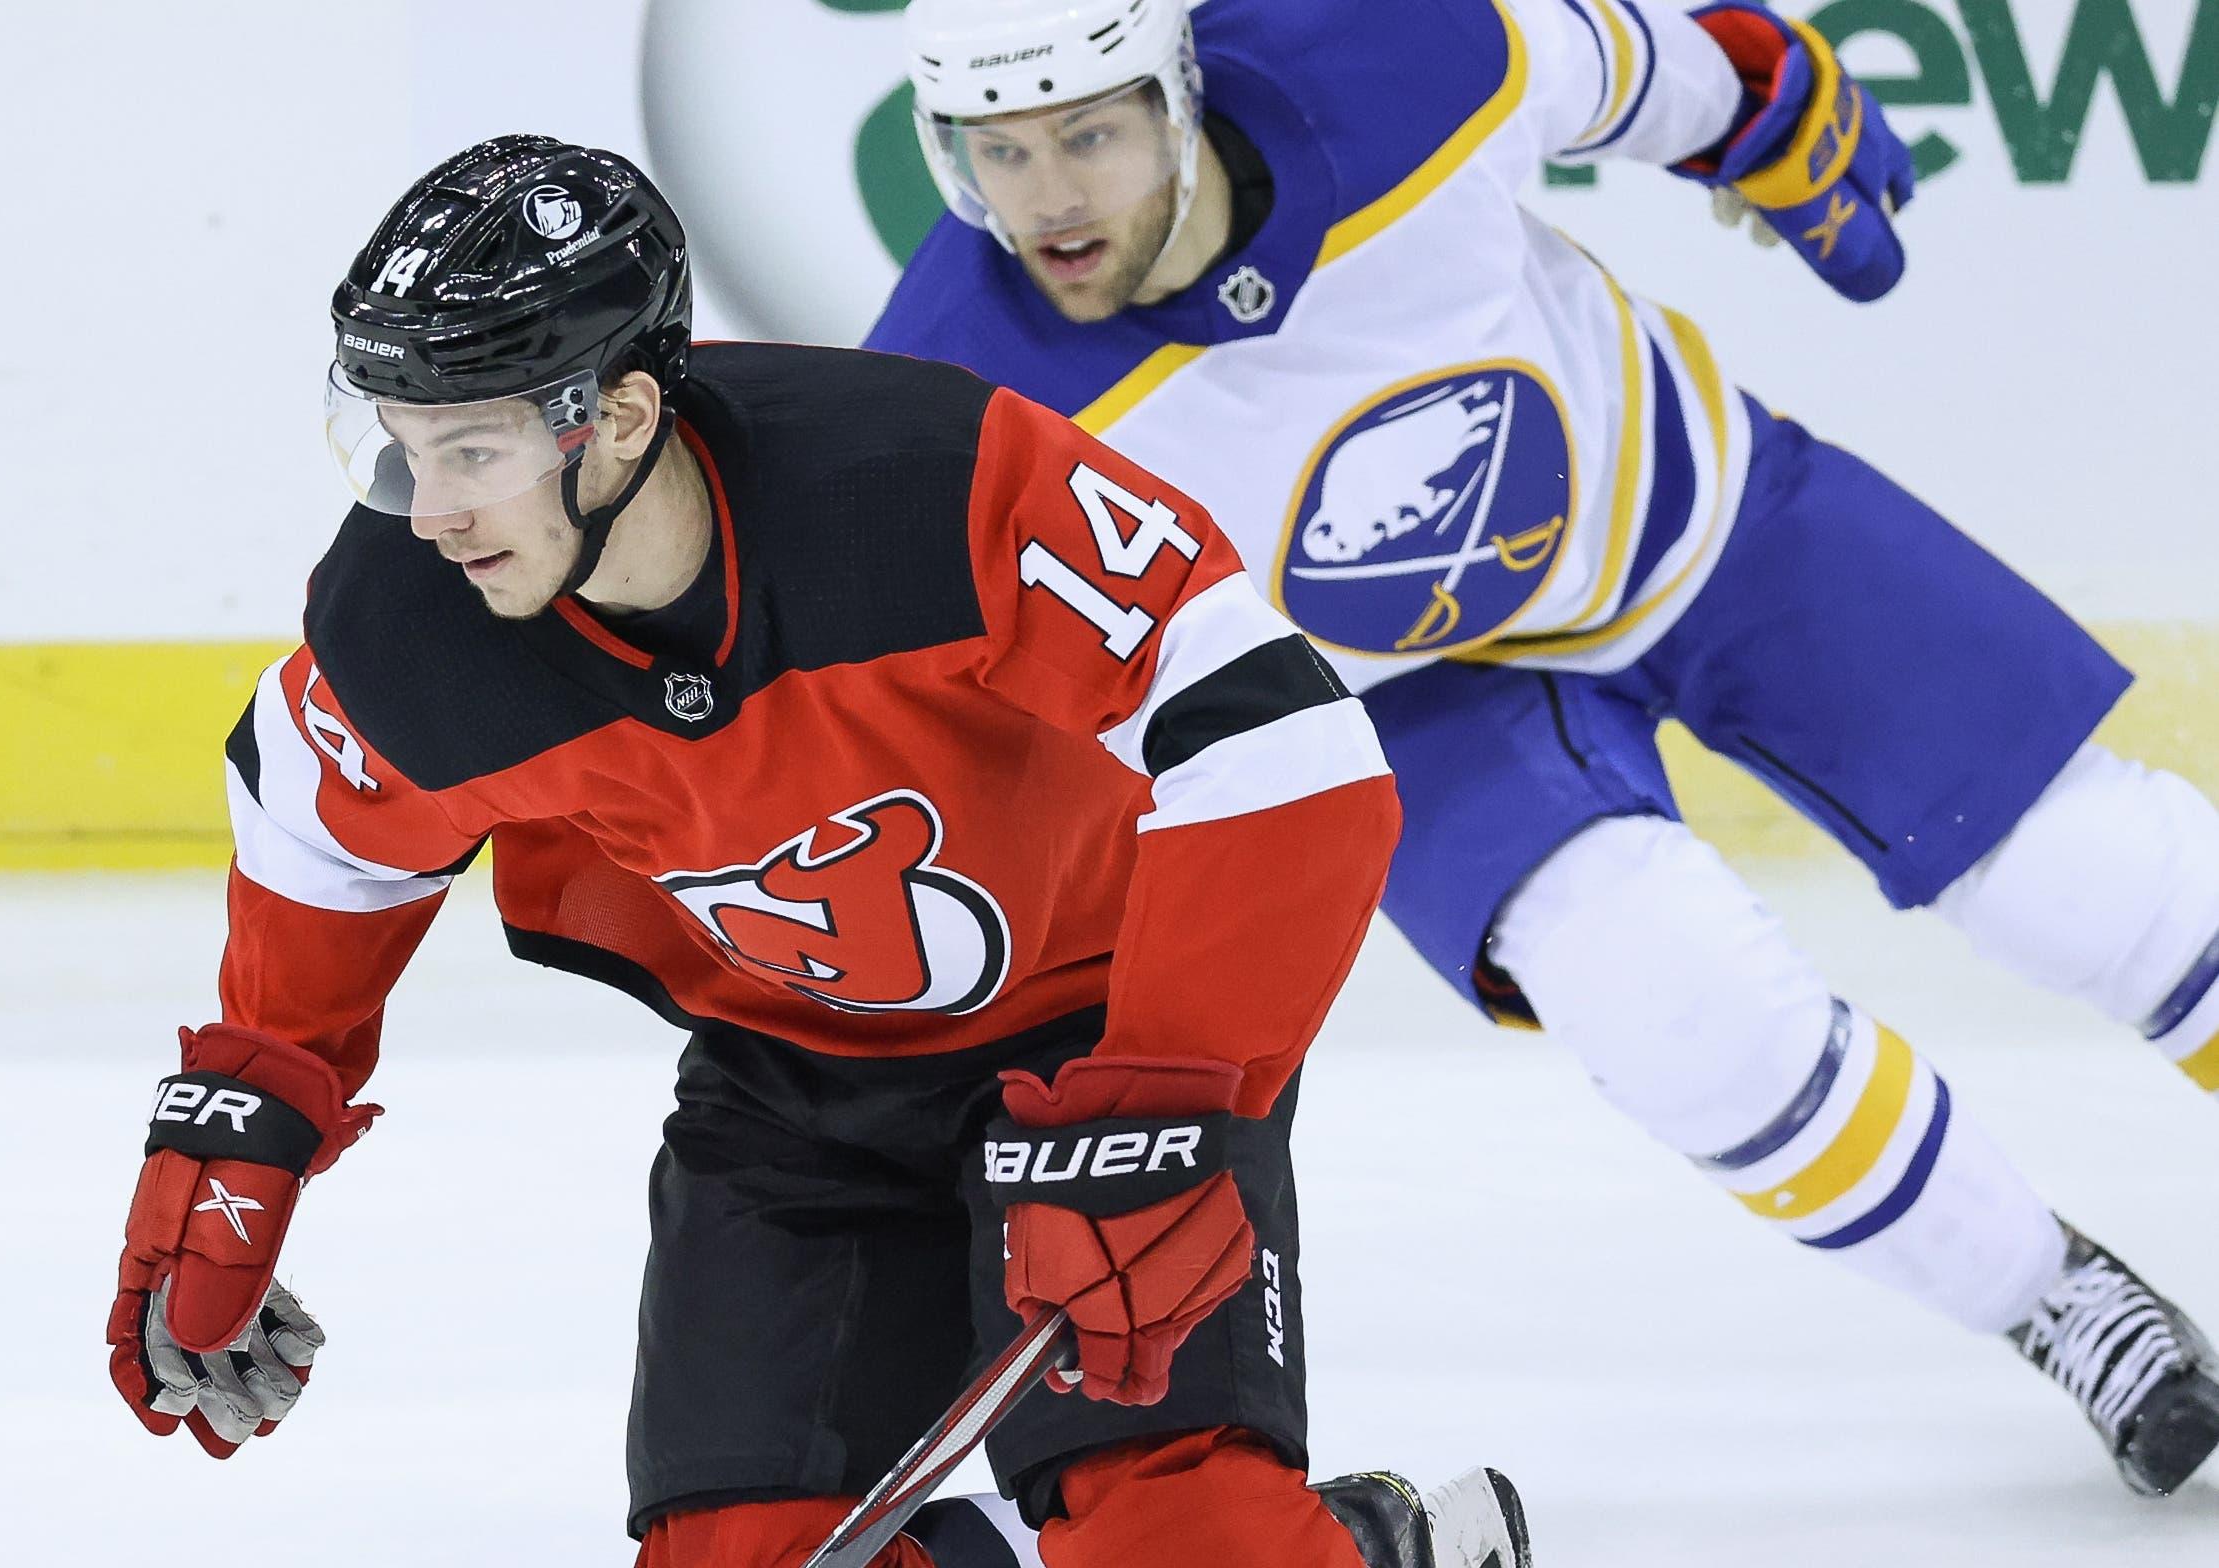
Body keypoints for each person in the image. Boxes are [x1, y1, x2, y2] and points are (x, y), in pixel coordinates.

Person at [98, 134, 1528, 1568]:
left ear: (620, 415)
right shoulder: (410, 621)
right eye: (404, 450)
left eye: (473, 451)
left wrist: (1168, 1097)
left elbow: (1281, 747)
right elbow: (321, 834)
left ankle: (1367, 1549)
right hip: (787, 1098)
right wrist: (249, 1123)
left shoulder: (926, 480)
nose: (434, 511)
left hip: (1091, 1052)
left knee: (1175, 1538)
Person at [864, 0, 2219, 1498]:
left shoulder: (1392, 55)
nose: (1046, 197)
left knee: (2087, 878)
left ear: (1178, 99)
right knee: (1675, 1014)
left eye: (1087, 133)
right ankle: (2049, 1296)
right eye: (998, 149)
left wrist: (1763, 110)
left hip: (1699, 524)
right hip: (1408, 710)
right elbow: (916, 720)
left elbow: (1656, 69)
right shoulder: (960, 393)